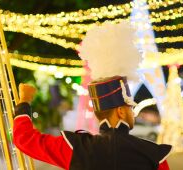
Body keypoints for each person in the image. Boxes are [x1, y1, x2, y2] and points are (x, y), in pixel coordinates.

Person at [13, 22, 172, 170]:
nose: (133, 112)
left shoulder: (76, 148)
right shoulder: (154, 155)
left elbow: (24, 139)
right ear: (120, 112)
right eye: (130, 107)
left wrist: (24, 102)